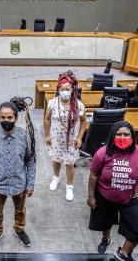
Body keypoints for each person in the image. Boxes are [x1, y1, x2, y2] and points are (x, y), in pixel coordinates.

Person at [87, 121, 138, 261]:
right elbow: (93, 175)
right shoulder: (102, 153)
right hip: (105, 196)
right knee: (104, 223)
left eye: (126, 134)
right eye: (119, 134)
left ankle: (123, 253)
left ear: (132, 136)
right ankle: (106, 239)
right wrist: (91, 196)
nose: (122, 137)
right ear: (112, 136)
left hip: (130, 197)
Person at [0, 98, 36, 249]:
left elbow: (31, 162)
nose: (6, 120)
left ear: (16, 118)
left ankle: (19, 229)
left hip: (20, 183)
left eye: (10, 117)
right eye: (3, 117)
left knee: (20, 210)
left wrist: (30, 183)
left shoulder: (25, 137)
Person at [44, 70, 86, 201]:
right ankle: (55, 178)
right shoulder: (52, 103)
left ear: (73, 89)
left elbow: (84, 121)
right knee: (56, 160)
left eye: (67, 89)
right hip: (56, 138)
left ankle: (69, 187)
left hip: (71, 140)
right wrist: (47, 135)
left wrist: (79, 137)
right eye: (62, 89)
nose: (65, 91)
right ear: (58, 89)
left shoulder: (79, 105)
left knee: (69, 164)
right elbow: (47, 119)